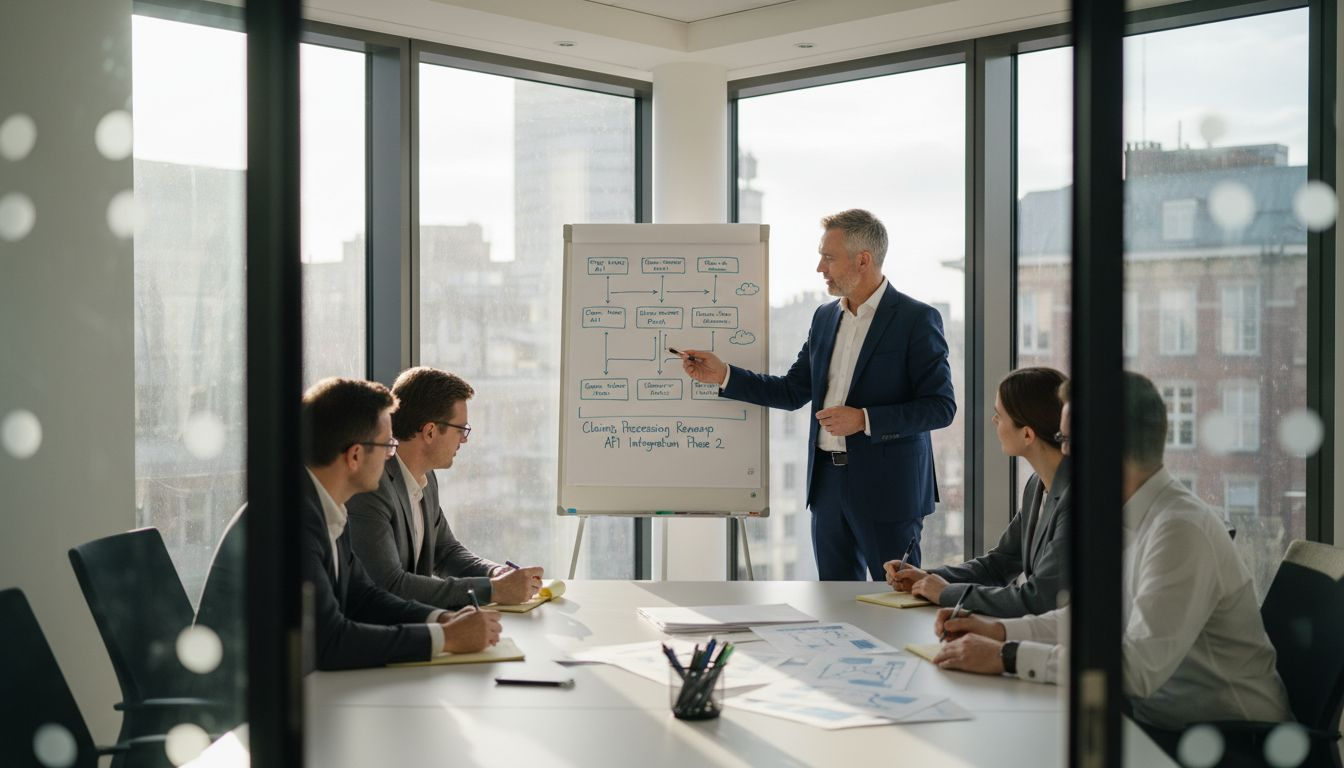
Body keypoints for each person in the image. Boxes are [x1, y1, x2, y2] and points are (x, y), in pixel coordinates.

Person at [929, 372, 1291, 730]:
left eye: (1067, 440)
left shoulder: (1179, 530)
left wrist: (1007, 656)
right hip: (1159, 720)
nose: (1063, 453)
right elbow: (1087, 620)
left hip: (1228, 737)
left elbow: (1137, 670)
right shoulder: (1128, 516)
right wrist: (997, 632)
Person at [680, 209, 955, 581]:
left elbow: (940, 407)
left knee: (895, 595)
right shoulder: (824, 317)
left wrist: (864, 419)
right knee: (833, 599)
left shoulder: (916, 319)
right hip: (827, 487)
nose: (819, 268)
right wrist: (723, 375)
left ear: (863, 260)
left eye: (828, 257)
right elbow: (792, 391)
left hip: (889, 489)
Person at [196, 378, 501, 676]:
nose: (391, 457)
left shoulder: (326, 507)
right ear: (355, 455)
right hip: (239, 698)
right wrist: (445, 638)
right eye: (387, 446)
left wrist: (442, 619)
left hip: (286, 683)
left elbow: (364, 597)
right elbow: (329, 642)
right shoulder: (291, 522)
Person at [346, 367, 543, 609]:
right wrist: (493, 590)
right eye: (460, 429)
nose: (464, 439)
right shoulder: (372, 487)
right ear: (430, 431)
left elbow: (446, 552)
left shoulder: (426, 478)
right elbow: (389, 585)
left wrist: (496, 573)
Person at [884, 367, 1069, 617]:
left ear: (1027, 434)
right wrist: (925, 577)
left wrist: (946, 593)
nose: (994, 421)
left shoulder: (1076, 501)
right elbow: (999, 564)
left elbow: (1037, 599)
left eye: (999, 415)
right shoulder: (1037, 485)